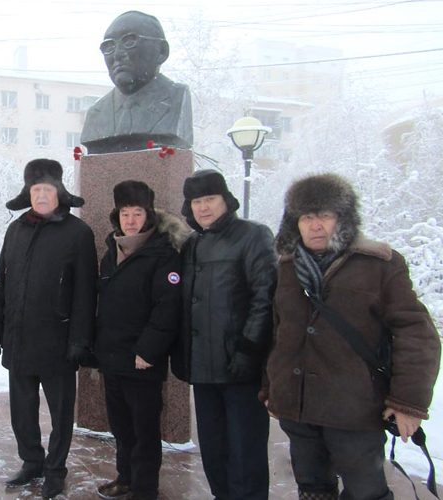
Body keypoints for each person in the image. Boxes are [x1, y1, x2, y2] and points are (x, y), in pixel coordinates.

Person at [262, 173, 441, 500]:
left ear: (343, 219)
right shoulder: (286, 268)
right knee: (312, 489)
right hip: (298, 408)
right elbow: (278, 333)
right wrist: (271, 389)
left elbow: (416, 333)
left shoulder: (379, 264)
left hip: (355, 410)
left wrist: (409, 403)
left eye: (325, 215)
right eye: (306, 217)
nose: (316, 225)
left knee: (366, 492)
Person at [0, 158, 98, 499]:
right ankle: (32, 461)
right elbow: (2, 280)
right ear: (28, 193)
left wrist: (79, 338)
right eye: (36, 190)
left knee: (60, 413)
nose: (42, 196)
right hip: (18, 338)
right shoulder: (16, 230)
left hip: (57, 340)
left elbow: (86, 292)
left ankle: (55, 469)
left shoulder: (78, 233)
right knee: (22, 411)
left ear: (59, 192)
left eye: (48, 189)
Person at [171, 169, 277, 500]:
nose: (203, 207)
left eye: (210, 199)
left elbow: (265, 297)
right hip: (203, 368)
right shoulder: (191, 244)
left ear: (226, 200)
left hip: (239, 367)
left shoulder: (253, 235)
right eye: (196, 201)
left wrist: (249, 349)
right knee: (213, 449)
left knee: (245, 451)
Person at [94, 181, 187, 500]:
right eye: (125, 213)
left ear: (148, 216)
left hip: (142, 360)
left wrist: (148, 350)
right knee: (121, 427)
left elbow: (167, 307)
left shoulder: (163, 254)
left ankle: (145, 488)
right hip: (113, 358)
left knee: (144, 430)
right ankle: (126, 478)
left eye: (137, 213)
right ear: (117, 216)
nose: (130, 220)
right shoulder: (111, 254)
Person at [81, 10, 193, 154]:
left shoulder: (176, 99)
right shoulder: (96, 114)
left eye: (129, 41)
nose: (117, 54)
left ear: (161, 51)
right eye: (109, 46)